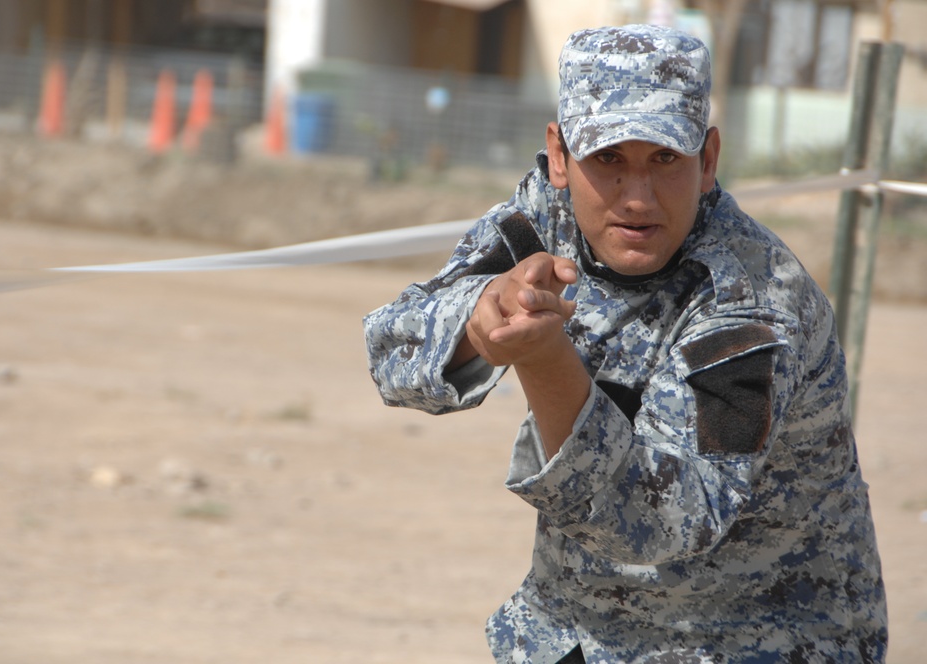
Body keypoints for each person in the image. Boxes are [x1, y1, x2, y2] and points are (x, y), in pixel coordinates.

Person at [363, 24, 887, 664]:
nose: (637, 199)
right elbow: (392, 350)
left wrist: (546, 363)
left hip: (751, 640)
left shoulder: (752, 301)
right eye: (608, 159)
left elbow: (666, 520)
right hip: (577, 631)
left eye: (665, 159)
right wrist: (477, 320)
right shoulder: (548, 216)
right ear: (559, 156)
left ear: (709, 160)